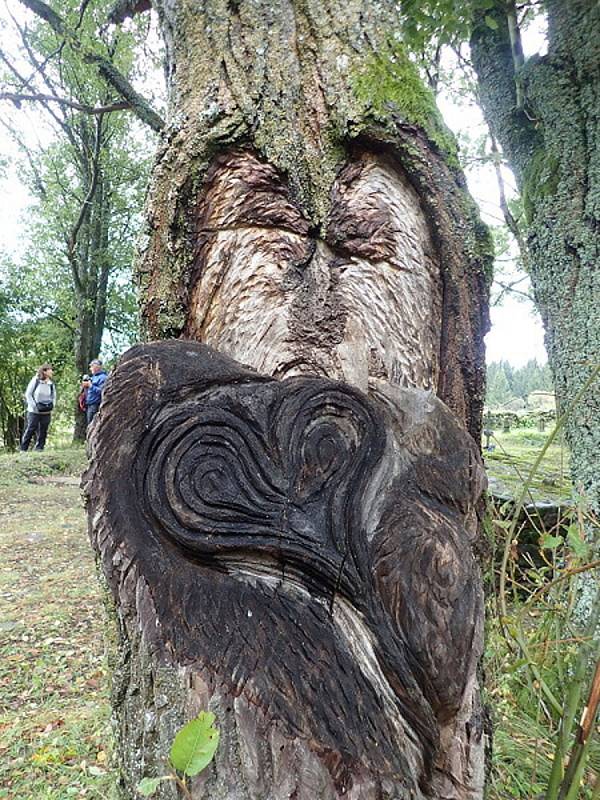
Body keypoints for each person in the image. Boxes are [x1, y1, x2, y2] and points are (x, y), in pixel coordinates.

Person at [21, 364, 56, 452]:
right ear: (44, 371)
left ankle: (40, 448)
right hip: (34, 411)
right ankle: (23, 448)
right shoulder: (35, 380)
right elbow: (28, 394)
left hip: (46, 410)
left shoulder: (50, 383)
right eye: (50, 370)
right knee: (31, 428)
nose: (52, 372)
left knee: (44, 429)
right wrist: (34, 406)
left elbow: (53, 395)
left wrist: (53, 405)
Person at [82, 359, 108, 425]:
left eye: (91, 367)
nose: (90, 369)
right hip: (89, 405)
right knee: (89, 427)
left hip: (96, 405)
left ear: (96, 366)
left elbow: (102, 391)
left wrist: (90, 385)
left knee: (93, 426)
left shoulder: (103, 378)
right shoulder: (93, 377)